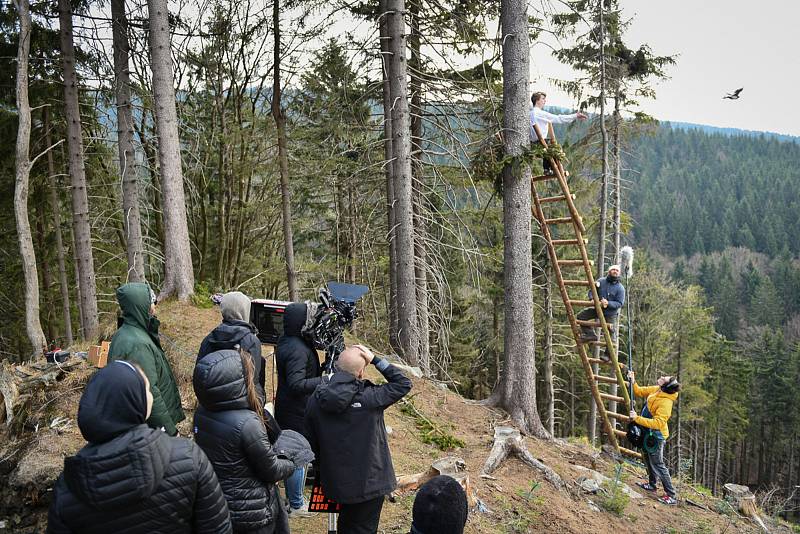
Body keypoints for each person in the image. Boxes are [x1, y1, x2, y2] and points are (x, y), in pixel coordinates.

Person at [47, 361, 231, 534]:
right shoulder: (188, 457)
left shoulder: (68, 487)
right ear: (135, 400)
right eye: (147, 389)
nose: (150, 395)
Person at [305, 344, 412, 534]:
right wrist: (377, 360)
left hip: (336, 481)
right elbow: (403, 383)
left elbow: (311, 440)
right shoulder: (370, 398)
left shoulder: (316, 398)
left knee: (346, 525)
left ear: (336, 367)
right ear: (361, 372)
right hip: (370, 484)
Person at [193, 349, 297, 534]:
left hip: (217, 505)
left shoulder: (202, 412)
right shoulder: (247, 423)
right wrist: (292, 461)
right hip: (251, 513)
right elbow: (271, 470)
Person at [108, 282, 185, 435]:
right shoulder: (136, 343)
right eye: (151, 302)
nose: (155, 306)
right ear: (141, 305)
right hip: (147, 430)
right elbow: (149, 391)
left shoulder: (130, 333)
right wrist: (169, 431)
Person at [274, 302, 322, 516]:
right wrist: (324, 380)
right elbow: (296, 384)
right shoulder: (297, 349)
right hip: (296, 410)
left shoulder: (287, 339)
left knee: (288, 453)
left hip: (287, 407)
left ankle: (292, 499)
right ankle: (296, 504)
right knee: (297, 455)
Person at [198, 291, 266, 402]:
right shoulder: (251, 341)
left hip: (211, 401)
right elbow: (254, 379)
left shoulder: (209, 338)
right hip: (240, 403)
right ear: (245, 310)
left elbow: (199, 373)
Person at [627, 370, 681, 506]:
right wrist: (633, 381)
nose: (662, 377)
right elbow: (639, 391)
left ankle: (671, 495)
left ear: (666, 386)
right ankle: (652, 484)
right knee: (646, 457)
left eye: (664, 378)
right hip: (647, 431)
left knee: (658, 464)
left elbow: (658, 424)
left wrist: (637, 419)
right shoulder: (658, 390)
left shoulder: (666, 403)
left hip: (656, 436)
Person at [529, 91, 587, 173]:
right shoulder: (540, 113)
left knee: (548, 144)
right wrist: (575, 116)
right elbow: (559, 118)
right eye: (543, 99)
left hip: (530, 145)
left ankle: (547, 169)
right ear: (537, 100)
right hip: (540, 144)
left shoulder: (529, 113)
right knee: (554, 147)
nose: (545, 101)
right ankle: (551, 169)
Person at [577, 264, 626, 350]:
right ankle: (590, 334)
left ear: (619, 273)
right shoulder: (601, 281)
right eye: (613, 269)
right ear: (609, 271)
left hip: (610, 313)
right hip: (598, 309)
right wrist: (591, 298)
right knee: (581, 317)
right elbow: (592, 290)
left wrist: (608, 303)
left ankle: (608, 355)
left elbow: (619, 303)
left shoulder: (620, 288)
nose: (615, 271)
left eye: (617, 270)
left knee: (611, 333)